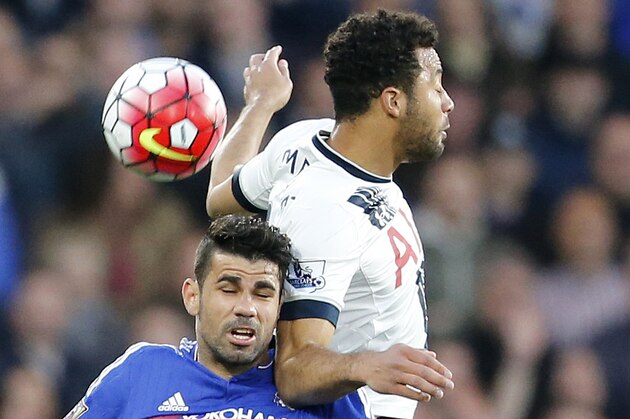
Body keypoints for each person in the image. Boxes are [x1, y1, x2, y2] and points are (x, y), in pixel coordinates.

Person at [206, 9, 455, 419]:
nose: (448, 102)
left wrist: (261, 106)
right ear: (393, 101)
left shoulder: (304, 139)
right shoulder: (328, 211)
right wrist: (364, 364)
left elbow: (219, 201)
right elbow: (293, 370)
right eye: (436, 85)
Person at [64, 215, 370, 418]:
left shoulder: (319, 389)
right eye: (229, 289)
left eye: (262, 293)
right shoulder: (141, 371)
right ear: (192, 296)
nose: (246, 308)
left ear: (279, 308)